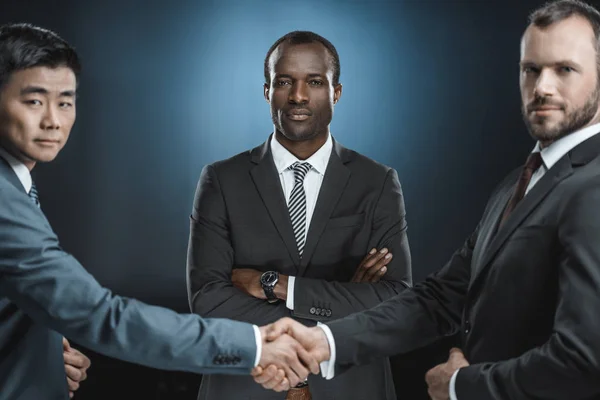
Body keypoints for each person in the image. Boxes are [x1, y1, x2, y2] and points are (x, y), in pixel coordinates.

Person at [255, 1, 600, 399]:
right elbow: (441, 297)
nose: (543, 87)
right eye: (531, 69)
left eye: (565, 69)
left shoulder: (592, 187)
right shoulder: (519, 183)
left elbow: (585, 362)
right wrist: (324, 342)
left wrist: (460, 386)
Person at [0, 23, 317, 400]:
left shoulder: (18, 185)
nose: (53, 119)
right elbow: (101, 316)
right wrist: (254, 345)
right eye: (34, 101)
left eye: (65, 101)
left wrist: (39, 355)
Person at [187, 30, 412, 399]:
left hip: (351, 387)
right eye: (285, 81)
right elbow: (209, 299)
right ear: (267, 91)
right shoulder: (221, 180)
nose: (298, 96)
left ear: (336, 92)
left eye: (315, 82)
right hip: (245, 386)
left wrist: (275, 284)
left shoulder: (378, 182)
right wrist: (346, 302)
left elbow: (394, 300)